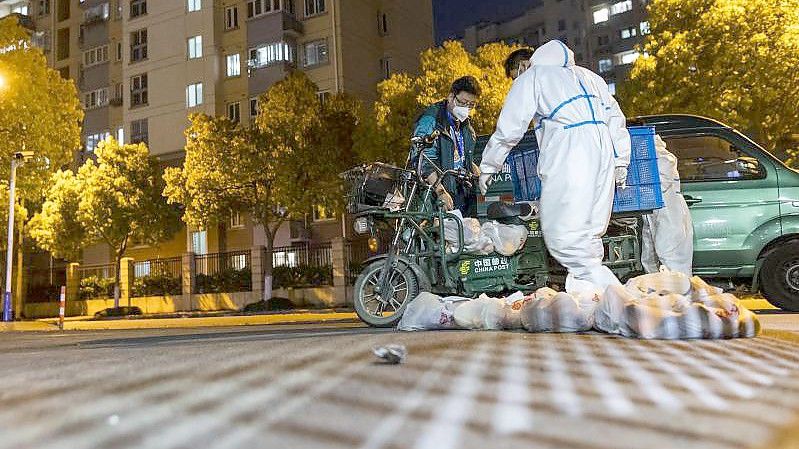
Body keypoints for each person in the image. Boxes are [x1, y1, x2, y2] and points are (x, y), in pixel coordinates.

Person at [479, 40, 631, 293]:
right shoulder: (590, 76)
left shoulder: (533, 77)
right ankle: (590, 297)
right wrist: (620, 161)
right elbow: (616, 118)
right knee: (590, 232)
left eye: (515, 74)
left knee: (560, 233)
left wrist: (489, 166)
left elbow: (510, 127)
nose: (516, 78)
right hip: (603, 150)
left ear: (523, 66)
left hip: (570, 149)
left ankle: (610, 291)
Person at [412, 76, 481, 215]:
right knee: (440, 234)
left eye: (471, 105)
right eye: (463, 103)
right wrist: (440, 191)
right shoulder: (431, 120)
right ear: (451, 97)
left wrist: (471, 165)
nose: (466, 109)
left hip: (461, 192)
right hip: (435, 195)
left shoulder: (465, 124)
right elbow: (424, 160)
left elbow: (457, 153)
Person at [641, 135, 694, 276]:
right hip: (658, 212)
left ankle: (679, 295)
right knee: (652, 258)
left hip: (669, 212)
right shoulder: (652, 155)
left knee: (672, 257)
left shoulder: (661, 156)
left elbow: (662, 181)